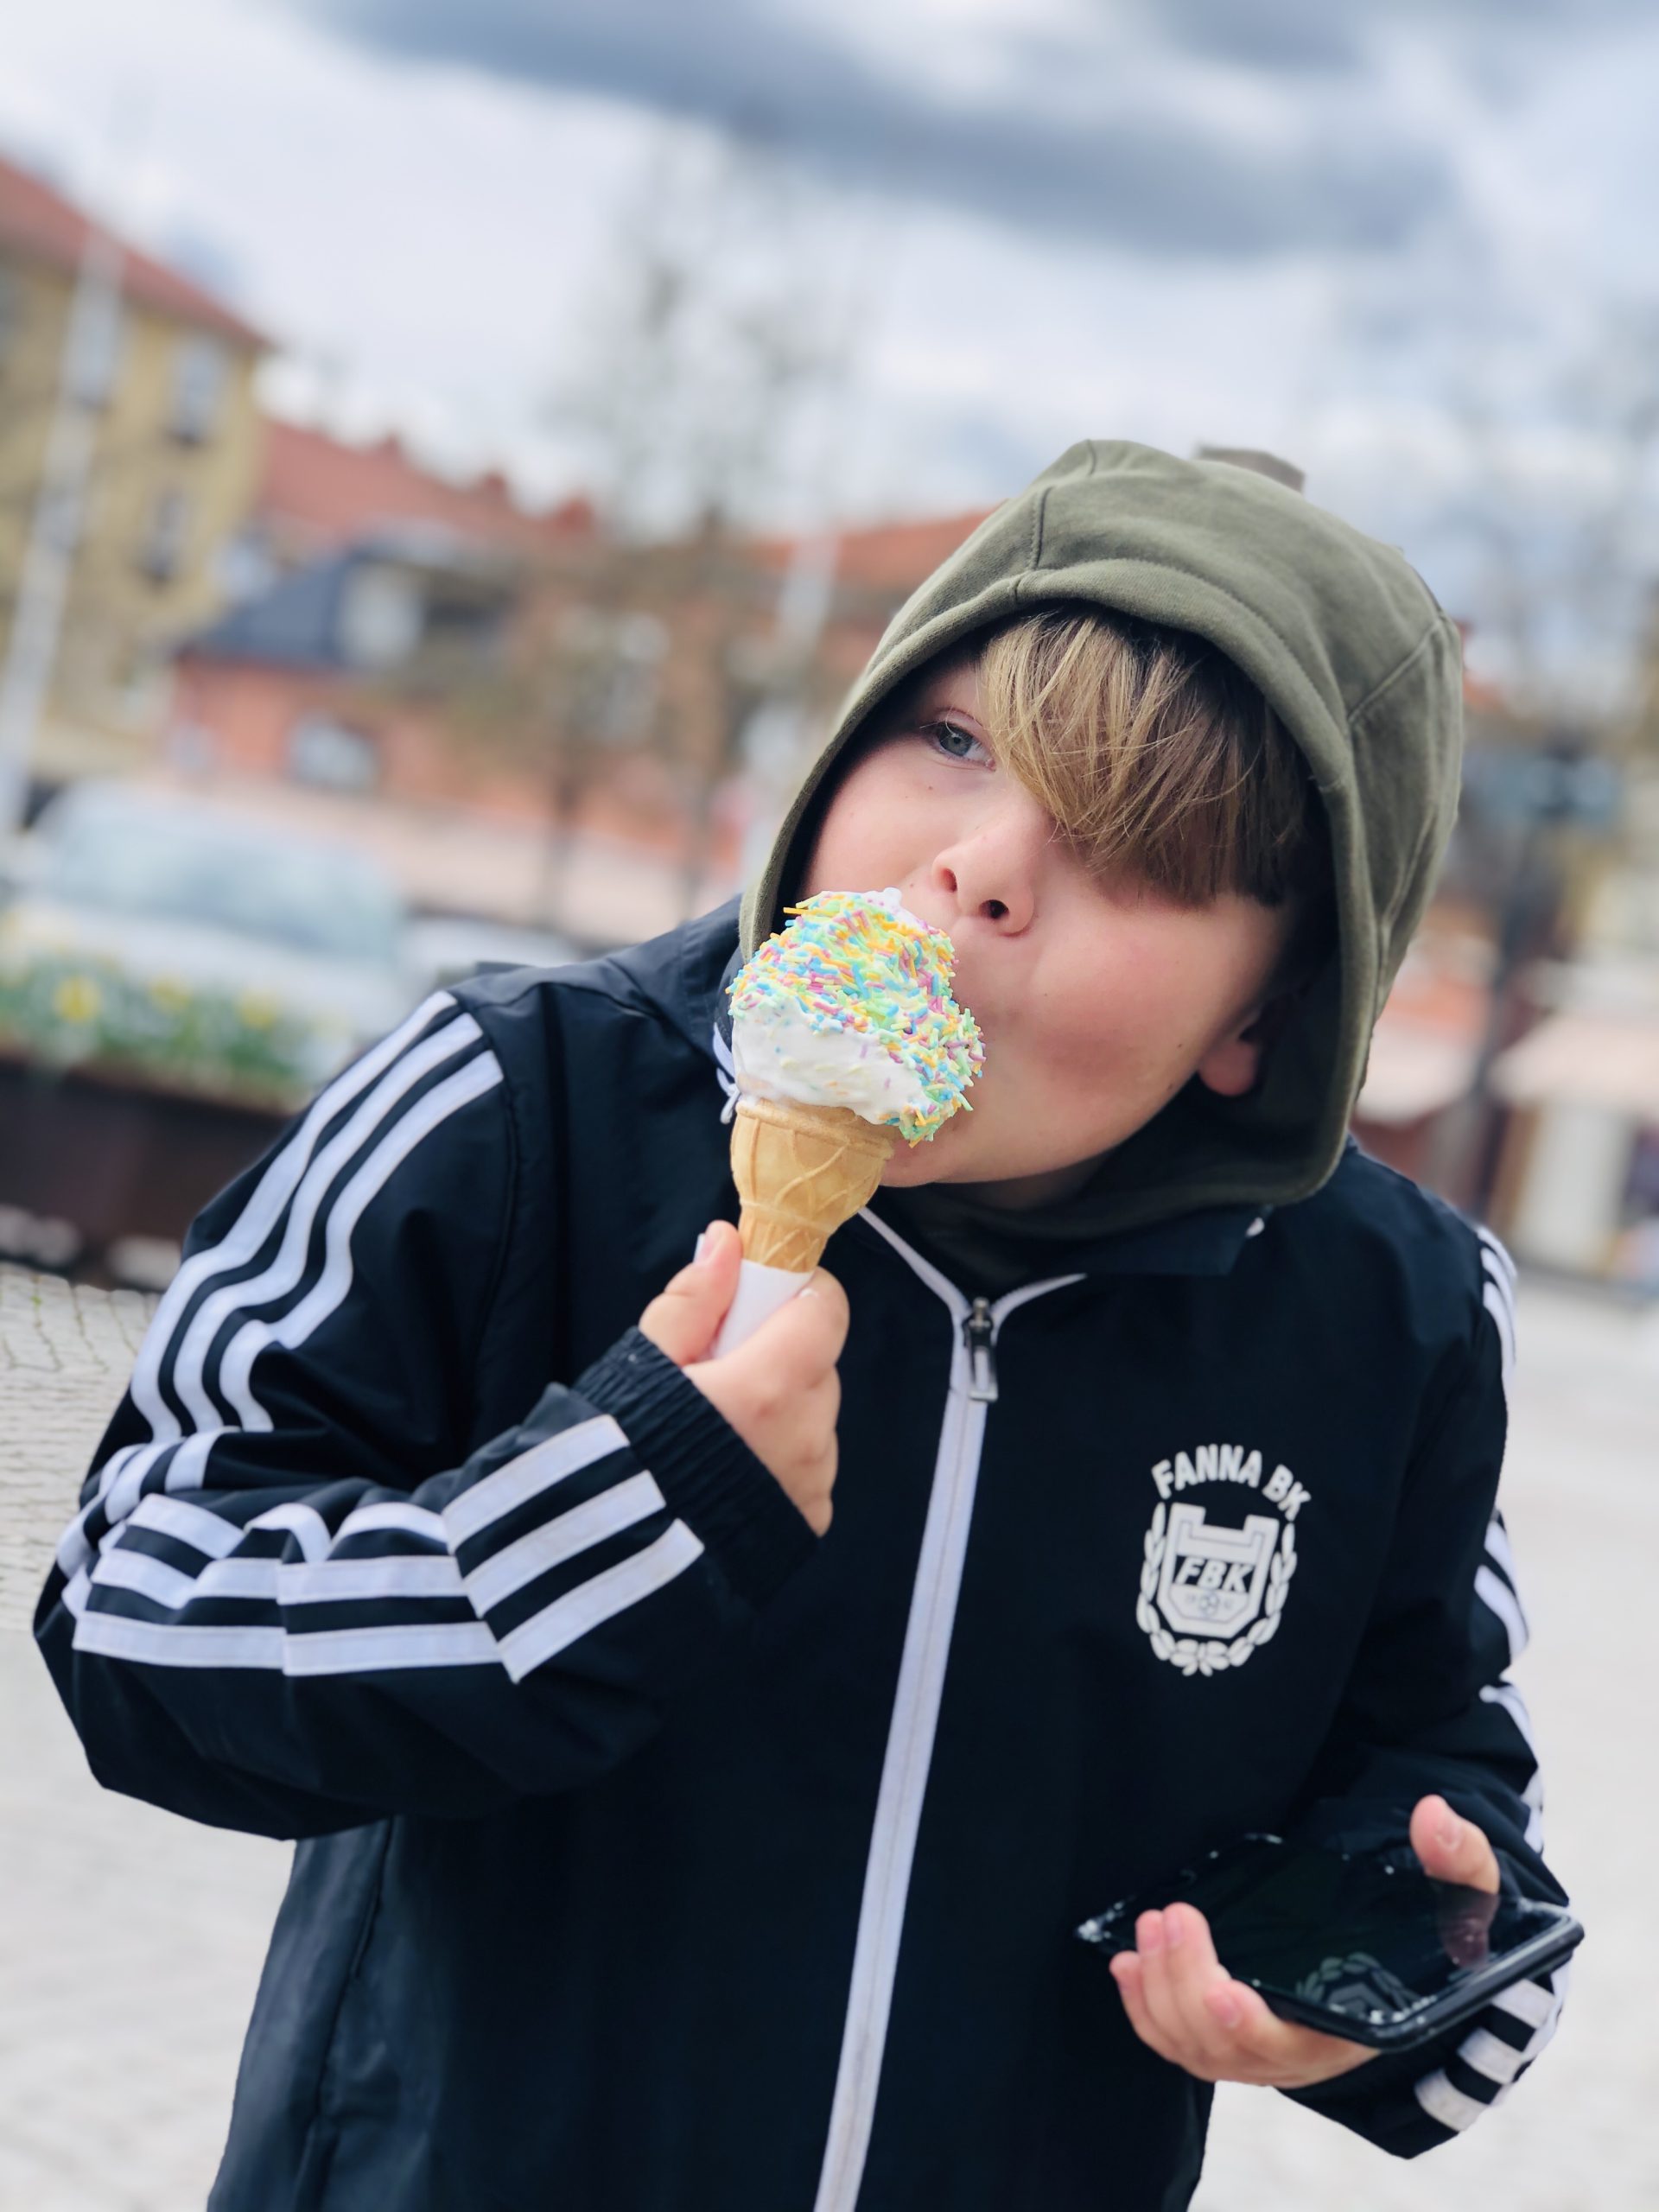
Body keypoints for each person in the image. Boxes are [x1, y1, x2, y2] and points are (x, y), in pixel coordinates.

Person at [35, 442, 1567, 2212]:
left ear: (1266, 1016)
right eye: (953, 740)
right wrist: (615, 1504)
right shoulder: (517, 1108)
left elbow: (1446, 1773)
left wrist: (1379, 1964)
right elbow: (136, 1615)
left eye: (1143, 850)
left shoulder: (1391, 1316)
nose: (978, 869)